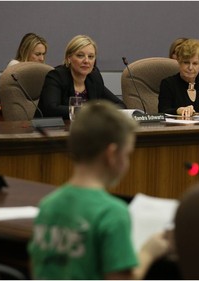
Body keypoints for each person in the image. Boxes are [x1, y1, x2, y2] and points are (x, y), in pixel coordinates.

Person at [28, 100, 170, 279]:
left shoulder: (47, 205)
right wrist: (149, 253)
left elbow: (37, 269)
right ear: (111, 154)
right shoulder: (112, 213)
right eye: (127, 154)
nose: (127, 162)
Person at [36, 35, 125, 119]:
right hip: (54, 132)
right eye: (80, 55)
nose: (86, 61)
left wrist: (102, 111)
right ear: (68, 58)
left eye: (91, 57)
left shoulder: (94, 78)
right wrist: (90, 110)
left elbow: (119, 105)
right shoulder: (57, 76)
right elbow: (51, 109)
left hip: (87, 130)